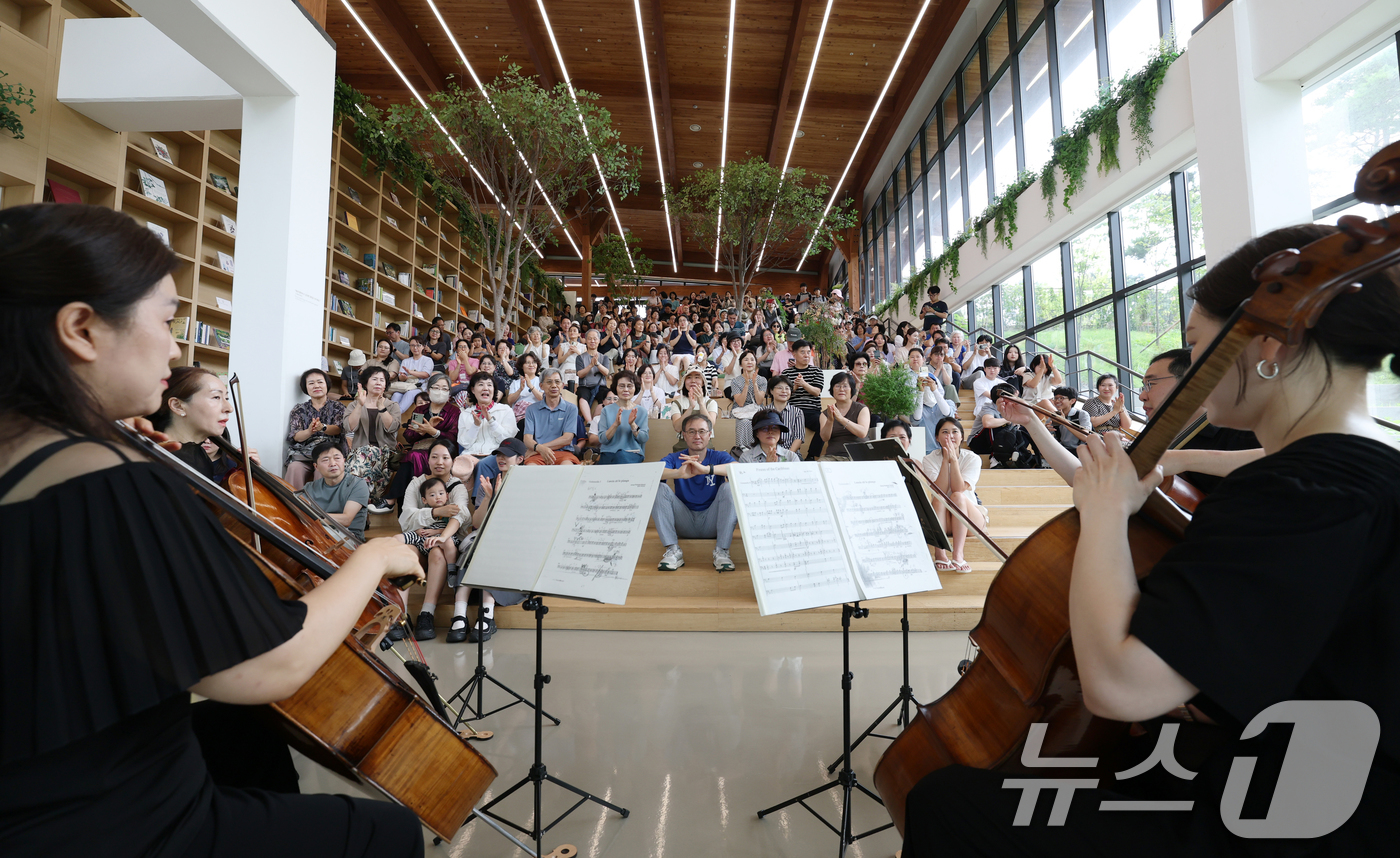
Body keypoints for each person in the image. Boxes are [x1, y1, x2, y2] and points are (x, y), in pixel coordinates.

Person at [904, 222, 1400, 857]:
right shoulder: (1361, 470)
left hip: (1301, 816)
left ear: (1268, 345)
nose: (1191, 371)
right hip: (1311, 775)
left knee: (947, 803)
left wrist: (1106, 514)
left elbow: (1121, 687)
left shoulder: (1299, 490)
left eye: (1196, 349)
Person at [0, 202, 424, 857]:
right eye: (167, 320)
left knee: (247, 738)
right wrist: (367, 562)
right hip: (112, 827)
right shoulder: (107, 478)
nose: (175, 348)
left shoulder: (38, 454)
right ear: (81, 328)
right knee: (387, 834)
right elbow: (266, 668)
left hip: (30, 783)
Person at [651, 414, 738, 572]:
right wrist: (678, 473)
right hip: (684, 521)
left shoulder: (718, 456)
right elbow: (653, 473)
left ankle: (722, 551)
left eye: (702, 431)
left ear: (709, 434)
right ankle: (673, 550)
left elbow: (738, 470)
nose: (697, 436)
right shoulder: (675, 457)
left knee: (729, 487)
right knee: (659, 488)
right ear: (684, 435)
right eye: (691, 432)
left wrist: (706, 469)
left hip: (712, 521)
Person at [148, 365, 259, 482]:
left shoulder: (199, 456)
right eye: (216, 397)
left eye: (226, 398)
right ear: (178, 406)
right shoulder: (152, 461)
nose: (229, 408)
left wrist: (242, 473)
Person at [918, 416, 984, 574]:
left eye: (955, 432)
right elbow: (939, 489)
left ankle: (958, 554)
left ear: (962, 436)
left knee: (957, 496)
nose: (950, 436)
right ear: (937, 437)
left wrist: (953, 461)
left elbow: (959, 488)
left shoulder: (973, 458)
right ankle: (940, 553)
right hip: (944, 521)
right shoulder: (929, 459)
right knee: (940, 497)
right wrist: (944, 461)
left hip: (970, 520)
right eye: (945, 432)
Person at [342, 365, 402, 514]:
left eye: (382, 380)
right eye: (374, 379)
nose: (378, 382)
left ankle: (352, 512)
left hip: (386, 455)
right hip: (359, 454)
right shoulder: (354, 405)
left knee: (357, 463)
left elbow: (392, 428)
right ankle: (361, 511)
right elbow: (349, 427)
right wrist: (359, 406)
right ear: (365, 383)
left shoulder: (392, 405)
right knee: (361, 455)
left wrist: (381, 408)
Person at [282, 368, 346, 490]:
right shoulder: (299, 409)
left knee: (322, 469)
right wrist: (309, 431)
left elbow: (338, 429)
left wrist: (323, 427)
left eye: (320, 382)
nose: (316, 386)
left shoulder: (338, 407)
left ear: (327, 384)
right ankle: (293, 506)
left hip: (329, 454)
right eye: (311, 383)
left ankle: (318, 508)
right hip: (304, 455)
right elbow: (296, 436)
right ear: (306, 388)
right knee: (294, 467)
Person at [303, 441, 369, 541]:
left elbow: (346, 519)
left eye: (337, 458)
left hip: (350, 538)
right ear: (316, 467)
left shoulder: (357, 484)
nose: (333, 464)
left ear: (344, 461)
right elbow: (301, 513)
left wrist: (311, 516)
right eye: (325, 460)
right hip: (318, 533)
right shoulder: (310, 487)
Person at [522, 369, 580, 465]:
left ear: (562, 385)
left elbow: (567, 439)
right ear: (541, 386)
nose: (554, 385)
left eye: (557, 382)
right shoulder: (531, 409)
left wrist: (539, 448)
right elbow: (527, 439)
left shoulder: (571, 408)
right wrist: (540, 450)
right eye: (549, 382)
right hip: (538, 455)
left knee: (567, 469)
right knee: (530, 470)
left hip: (563, 453)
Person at [782, 340, 827, 460]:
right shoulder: (786, 373)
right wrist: (795, 387)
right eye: (802, 352)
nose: (806, 355)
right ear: (794, 354)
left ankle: (812, 456)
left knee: (824, 424)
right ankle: (785, 455)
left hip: (812, 411)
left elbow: (817, 392)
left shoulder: (817, 371)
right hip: (792, 411)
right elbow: (783, 396)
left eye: (808, 352)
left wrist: (803, 383)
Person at [456, 371, 516, 459]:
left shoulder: (505, 410)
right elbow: (464, 443)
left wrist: (491, 421)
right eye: (480, 384)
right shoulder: (466, 414)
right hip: (471, 455)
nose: (485, 388)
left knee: (482, 465)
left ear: (494, 390)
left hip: (496, 455)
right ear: (473, 390)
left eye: (489, 385)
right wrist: (475, 425)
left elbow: (507, 440)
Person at [597, 371, 649, 464]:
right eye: (621, 386)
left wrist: (633, 425)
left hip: (632, 454)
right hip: (609, 453)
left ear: (635, 388)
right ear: (616, 388)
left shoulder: (641, 411)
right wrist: (615, 424)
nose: (625, 389)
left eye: (629, 386)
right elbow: (602, 439)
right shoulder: (606, 410)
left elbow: (643, 439)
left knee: (620, 456)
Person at [908, 347, 957, 441]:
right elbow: (916, 417)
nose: (915, 359)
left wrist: (933, 388)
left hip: (935, 404)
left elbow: (941, 392)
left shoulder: (929, 374)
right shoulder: (905, 376)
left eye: (918, 356)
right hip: (915, 405)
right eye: (912, 357)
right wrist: (920, 391)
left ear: (923, 359)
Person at [664, 368, 720, 449]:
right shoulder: (677, 403)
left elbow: (710, 425)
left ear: (703, 382)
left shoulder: (711, 402)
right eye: (689, 377)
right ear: (684, 382)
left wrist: (701, 404)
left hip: (705, 446)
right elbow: (677, 427)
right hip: (683, 446)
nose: (693, 381)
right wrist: (691, 407)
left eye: (697, 377)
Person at [820, 371, 871, 459]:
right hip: (833, 457)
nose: (841, 389)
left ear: (852, 389)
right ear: (832, 390)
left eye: (845, 386)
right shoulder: (825, 414)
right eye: (838, 386)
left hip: (859, 456)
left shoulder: (862, 409)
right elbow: (824, 438)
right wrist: (830, 420)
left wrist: (841, 419)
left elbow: (862, 433)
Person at [729, 351, 767, 449]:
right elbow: (740, 403)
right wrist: (746, 384)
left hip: (757, 410)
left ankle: (758, 450)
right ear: (741, 364)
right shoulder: (735, 381)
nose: (749, 362)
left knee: (759, 423)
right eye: (746, 360)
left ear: (755, 363)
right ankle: (742, 450)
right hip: (740, 411)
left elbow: (759, 401)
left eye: (752, 359)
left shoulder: (762, 380)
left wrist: (754, 384)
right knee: (744, 422)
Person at [392, 337, 434, 410]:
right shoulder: (406, 361)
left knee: (410, 393)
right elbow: (400, 378)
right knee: (396, 395)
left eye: (418, 345)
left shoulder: (427, 360)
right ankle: (390, 414)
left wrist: (410, 372)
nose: (415, 348)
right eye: (412, 345)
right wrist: (403, 377)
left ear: (423, 346)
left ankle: (395, 415)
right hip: (406, 385)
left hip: (420, 386)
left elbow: (425, 375)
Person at [576, 328, 613, 408]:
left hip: (601, 386)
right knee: (582, 398)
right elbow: (580, 374)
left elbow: (606, 372)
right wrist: (590, 365)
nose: (592, 341)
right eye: (589, 339)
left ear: (599, 340)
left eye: (595, 339)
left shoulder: (604, 357)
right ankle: (588, 420)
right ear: (585, 340)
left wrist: (597, 363)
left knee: (608, 396)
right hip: (585, 386)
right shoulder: (580, 357)